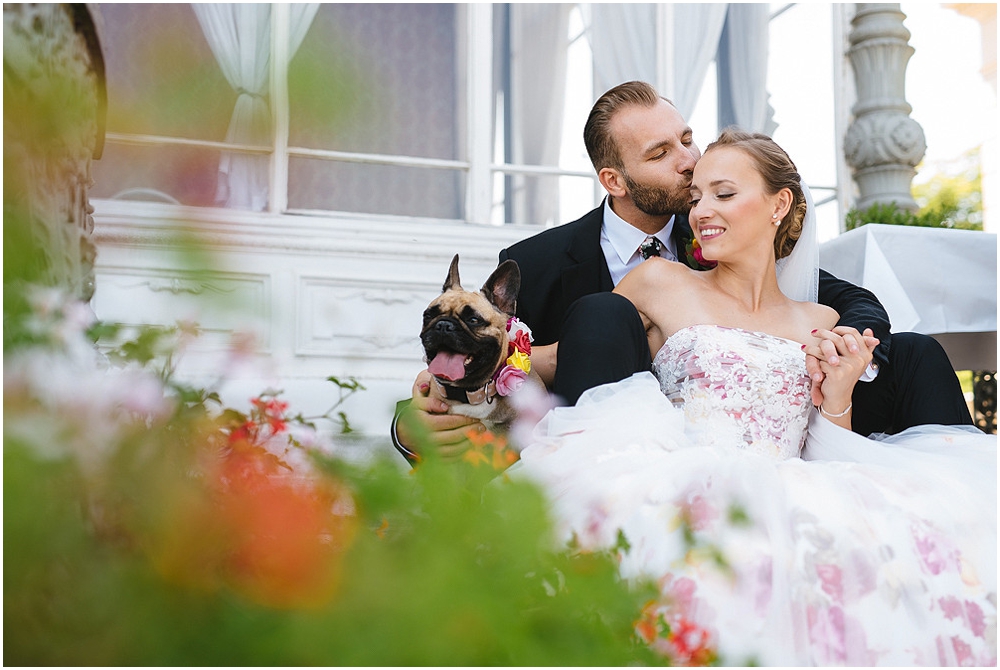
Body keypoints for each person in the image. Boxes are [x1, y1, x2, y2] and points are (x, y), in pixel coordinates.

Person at [509, 128, 996, 666]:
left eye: (723, 194)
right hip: (680, 484)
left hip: (793, 493)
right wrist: (470, 373)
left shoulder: (823, 321)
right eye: (695, 198)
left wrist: (838, 394)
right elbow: (557, 355)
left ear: (778, 204)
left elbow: (826, 445)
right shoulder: (660, 282)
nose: (699, 212)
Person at [391, 81, 971, 462]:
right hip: (622, 460)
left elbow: (840, 296)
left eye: (687, 140)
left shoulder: (722, 236)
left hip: (780, 454)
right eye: (661, 153)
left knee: (919, 352)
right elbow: (494, 357)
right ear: (614, 180)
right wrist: (415, 420)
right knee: (603, 313)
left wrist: (850, 342)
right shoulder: (539, 264)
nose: (689, 162)